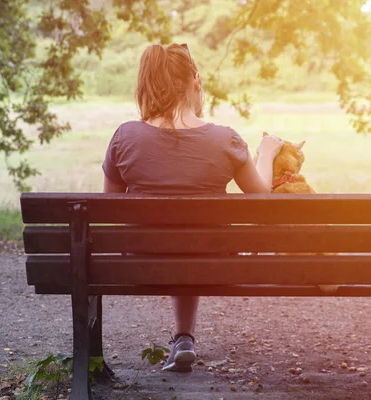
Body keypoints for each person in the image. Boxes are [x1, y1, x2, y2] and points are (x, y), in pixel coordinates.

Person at [101, 43, 284, 372]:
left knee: (174, 244)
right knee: (190, 246)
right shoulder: (225, 140)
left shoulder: (125, 136)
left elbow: (110, 207)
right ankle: (184, 336)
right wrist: (266, 153)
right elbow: (261, 196)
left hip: (139, 264)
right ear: (195, 82)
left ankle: (183, 337)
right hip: (211, 263)